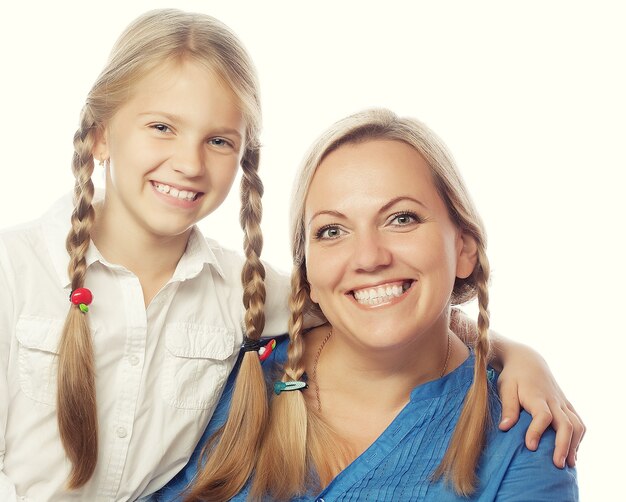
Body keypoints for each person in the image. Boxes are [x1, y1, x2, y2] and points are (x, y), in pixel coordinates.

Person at [0, 8, 581, 501]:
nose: (189, 162)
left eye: (219, 140)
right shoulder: (16, 273)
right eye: (161, 126)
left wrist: (515, 355)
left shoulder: (246, 297)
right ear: (99, 134)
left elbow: (381, 309)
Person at [160, 109, 579, 501]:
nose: (368, 257)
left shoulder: (523, 443)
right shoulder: (226, 369)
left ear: (464, 247)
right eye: (332, 230)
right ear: (308, 278)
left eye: (402, 219)